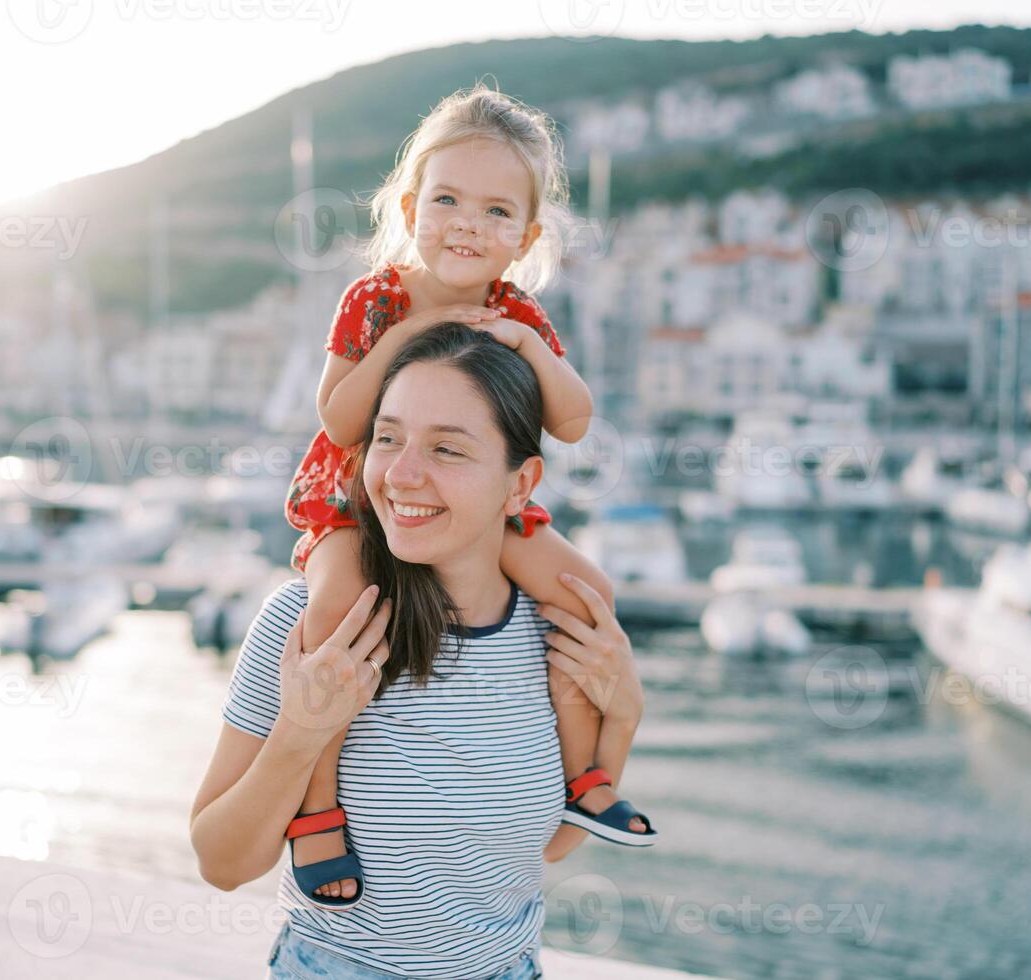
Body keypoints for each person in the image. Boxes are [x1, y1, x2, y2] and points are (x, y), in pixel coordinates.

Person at [281, 84, 655, 906]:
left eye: (494, 212)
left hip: (476, 497)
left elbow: (576, 420)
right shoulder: (375, 299)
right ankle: (316, 809)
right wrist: (410, 338)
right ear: (411, 206)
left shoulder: (516, 311)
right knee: (334, 607)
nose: (465, 223)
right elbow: (342, 419)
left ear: (524, 238)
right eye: (446, 199)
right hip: (358, 490)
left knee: (586, 591)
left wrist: (529, 344)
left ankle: (585, 775)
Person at [191, 324, 650, 979]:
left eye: (447, 450)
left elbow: (553, 843)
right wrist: (300, 732)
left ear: (520, 487)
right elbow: (222, 864)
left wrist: (624, 719)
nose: (402, 475)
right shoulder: (314, 627)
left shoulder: (555, 634)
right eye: (388, 438)